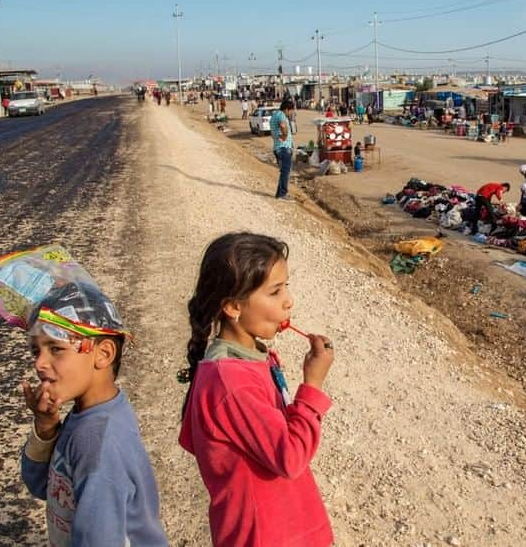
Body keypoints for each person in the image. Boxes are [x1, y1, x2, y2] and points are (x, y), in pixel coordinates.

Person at [179, 233, 335, 547]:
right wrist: (313, 385)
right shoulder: (230, 381)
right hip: (265, 535)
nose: (288, 300)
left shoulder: (247, 359)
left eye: (286, 286)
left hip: (285, 526)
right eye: (275, 291)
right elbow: (290, 457)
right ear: (233, 307)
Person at [20, 282, 167, 545]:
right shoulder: (86, 416)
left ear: (103, 354)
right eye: (36, 350)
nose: (39, 363)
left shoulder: (98, 441)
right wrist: (45, 428)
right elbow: (44, 486)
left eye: (56, 348)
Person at [270, 99, 296, 201]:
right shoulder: (281, 115)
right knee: (285, 172)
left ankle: (279, 193)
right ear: (286, 109)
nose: (291, 113)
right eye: (290, 111)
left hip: (278, 147)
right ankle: (282, 194)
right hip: (283, 148)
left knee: (284, 171)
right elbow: (282, 125)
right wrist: (285, 135)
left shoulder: (275, 114)